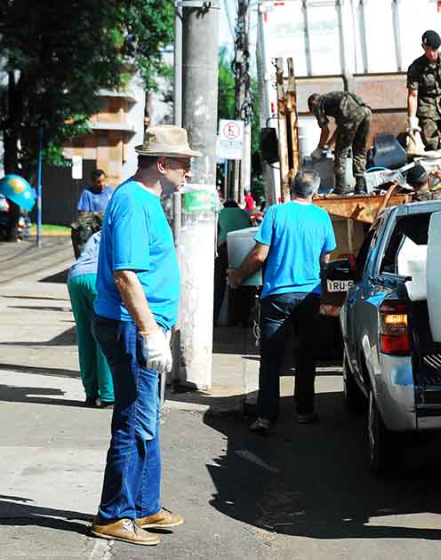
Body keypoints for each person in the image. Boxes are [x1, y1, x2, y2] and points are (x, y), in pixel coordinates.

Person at [89, 125, 198, 546]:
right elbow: (125, 275)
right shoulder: (135, 202)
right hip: (131, 326)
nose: (187, 173)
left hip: (141, 325)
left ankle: (144, 505)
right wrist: (151, 331)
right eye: (184, 164)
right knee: (134, 420)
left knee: (146, 418)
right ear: (163, 164)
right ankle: (114, 514)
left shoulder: (144, 200)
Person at [227, 170, 336, 434]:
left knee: (271, 357)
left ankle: (265, 416)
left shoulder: (276, 213)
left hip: (277, 295)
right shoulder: (322, 216)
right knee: (305, 354)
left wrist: (237, 276)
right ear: (316, 193)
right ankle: (305, 411)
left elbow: (260, 254)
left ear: (291, 188)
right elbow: (326, 259)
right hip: (309, 295)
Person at [67, 231, 114, 408]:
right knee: (105, 334)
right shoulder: (127, 229)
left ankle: (90, 393)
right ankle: (108, 395)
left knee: (85, 335)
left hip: (76, 276)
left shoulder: (98, 234)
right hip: (98, 278)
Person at [308, 91, 372, 195]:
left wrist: (319, 148)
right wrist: (329, 144)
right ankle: (360, 188)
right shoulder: (332, 98)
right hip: (366, 112)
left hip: (351, 116)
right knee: (359, 150)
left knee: (340, 152)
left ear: (312, 103)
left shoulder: (318, 104)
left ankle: (340, 189)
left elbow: (325, 130)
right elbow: (341, 129)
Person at [214, 200, 252, 326]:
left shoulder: (220, 213)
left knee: (219, 283)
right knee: (240, 282)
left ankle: (214, 318)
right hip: (244, 246)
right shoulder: (244, 213)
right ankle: (241, 319)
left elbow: (216, 232)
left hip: (224, 247)